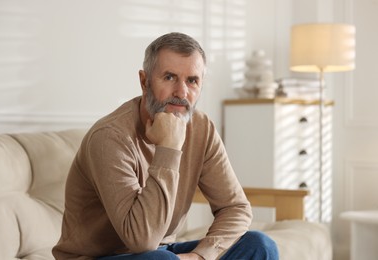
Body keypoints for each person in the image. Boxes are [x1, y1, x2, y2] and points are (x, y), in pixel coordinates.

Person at [52, 32, 278, 260]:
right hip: (100, 257)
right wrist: (169, 147)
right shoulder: (110, 137)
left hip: (163, 252)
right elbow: (142, 240)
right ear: (144, 81)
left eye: (192, 80)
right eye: (169, 77)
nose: (182, 93)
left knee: (260, 245)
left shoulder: (201, 128)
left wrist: (201, 256)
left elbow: (235, 208)